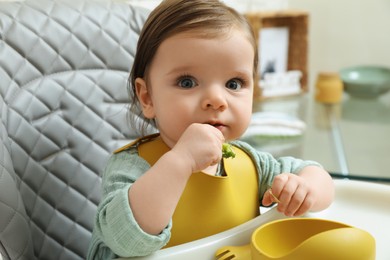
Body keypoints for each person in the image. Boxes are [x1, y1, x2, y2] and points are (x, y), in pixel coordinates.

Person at [87, 0, 335, 258]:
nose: (217, 99)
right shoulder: (131, 167)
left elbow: (320, 179)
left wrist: (304, 189)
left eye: (234, 83)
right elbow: (126, 239)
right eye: (187, 82)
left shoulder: (251, 163)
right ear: (148, 98)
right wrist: (180, 161)